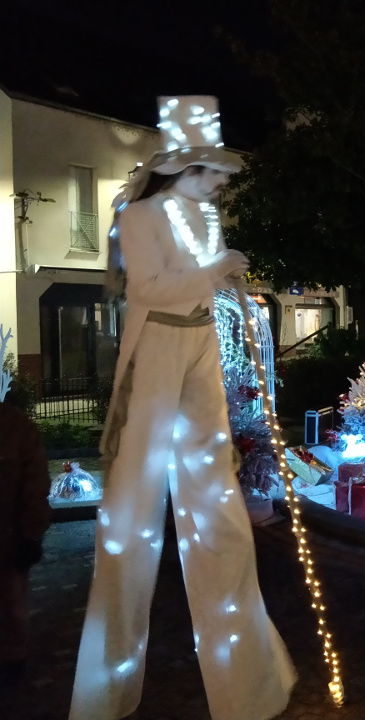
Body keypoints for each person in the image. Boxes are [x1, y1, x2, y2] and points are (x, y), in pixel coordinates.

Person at [69, 97, 296, 720]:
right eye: (215, 171)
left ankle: (245, 680)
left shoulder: (206, 219)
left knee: (217, 509)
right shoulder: (140, 216)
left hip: (199, 347)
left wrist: (227, 282)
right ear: (187, 165)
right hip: (158, 351)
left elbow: (198, 281)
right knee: (133, 515)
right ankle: (109, 685)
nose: (222, 182)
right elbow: (149, 288)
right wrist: (217, 268)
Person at [0, 402, 51, 691]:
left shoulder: (15, 426)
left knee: (11, 605)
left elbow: (35, 484)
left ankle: (12, 660)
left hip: (7, 538)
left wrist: (30, 534)